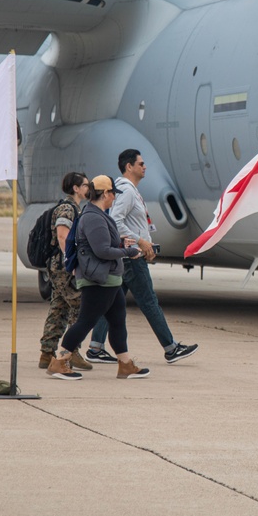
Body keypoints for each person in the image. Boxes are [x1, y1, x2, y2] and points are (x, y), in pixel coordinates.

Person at [85, 149, 198, 365]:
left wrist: (147, 243)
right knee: (149, 302)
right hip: (131, 257)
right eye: (141, 163)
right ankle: (170, 348)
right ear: (129, 166)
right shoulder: (126, 191)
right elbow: (115, 222)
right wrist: (141, 242)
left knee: (110, 302)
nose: (144, 167)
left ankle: (95, 347)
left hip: (128, 255)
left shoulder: (129, 191)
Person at [47, 175, 150, 380]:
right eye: (113, 193)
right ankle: (59, 361)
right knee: (86, 321)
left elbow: (103, 246)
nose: (114, 198)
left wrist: (121, 244)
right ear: (105, 194)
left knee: (118, 321)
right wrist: (127, 252)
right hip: (99, 280)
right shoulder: (94, 217)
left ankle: (125, 364)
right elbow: (102, 251)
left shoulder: (99, 215)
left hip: (109, 280)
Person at [38, 172, 94, 371]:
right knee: (80, 308)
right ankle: (72, 351)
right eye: (86, 185)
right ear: (76, 188)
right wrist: (71, 264)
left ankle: (47, 353)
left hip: (59, 266)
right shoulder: (67, 209)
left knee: (59, 307)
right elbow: (62, 237)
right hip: (63, 267)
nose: (89, 188)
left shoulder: (74, 208)